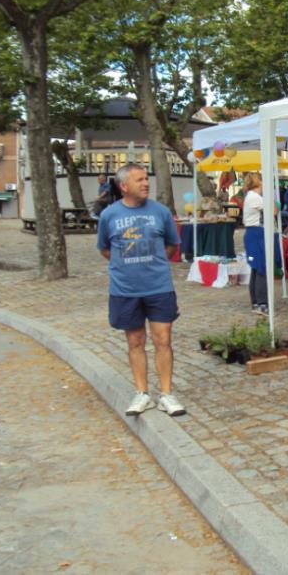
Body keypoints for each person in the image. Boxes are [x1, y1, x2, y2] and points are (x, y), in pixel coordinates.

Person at [96, 163, 186, 417]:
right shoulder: (109, 215)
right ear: (123, 186)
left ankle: (167, 395)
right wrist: (126, 267)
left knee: (163, 339)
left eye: (147, 179)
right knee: (135, 341)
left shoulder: (161, 212)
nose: (146, 183)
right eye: (139, 180)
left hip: (159, 287)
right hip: (125, 290)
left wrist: (152, 264)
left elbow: (171, 245)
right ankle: (142, 393)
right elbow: (105, 249)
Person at [242, 172, 269, 316]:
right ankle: (261, 303)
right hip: (255, 234)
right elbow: (274, 210)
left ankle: (256, 302)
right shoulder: (255, 197)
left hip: (256, 233)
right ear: (258, 182)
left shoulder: (253, 197)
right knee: (261, 269)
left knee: (256, 269)